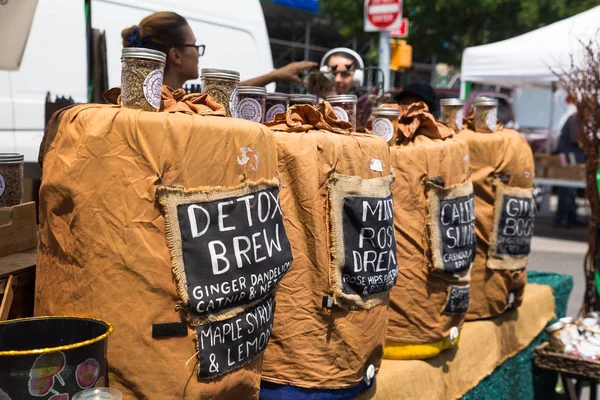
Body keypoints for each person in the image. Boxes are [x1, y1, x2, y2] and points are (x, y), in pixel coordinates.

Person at [121, 11, 316, 90]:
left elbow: (225, 92)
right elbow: (222, 95)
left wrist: (275, 75)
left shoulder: (141, 102)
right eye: (194, 46)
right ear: (176, 56)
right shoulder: (173, 109)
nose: (198, 54)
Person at [554, 112, 585, 227]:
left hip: (575, 158)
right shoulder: (574, 119)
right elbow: (576, 139)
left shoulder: (578, 118)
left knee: (571, 190)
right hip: (568, 159)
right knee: (566, 189)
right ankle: (562, 217)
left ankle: (571, 216)